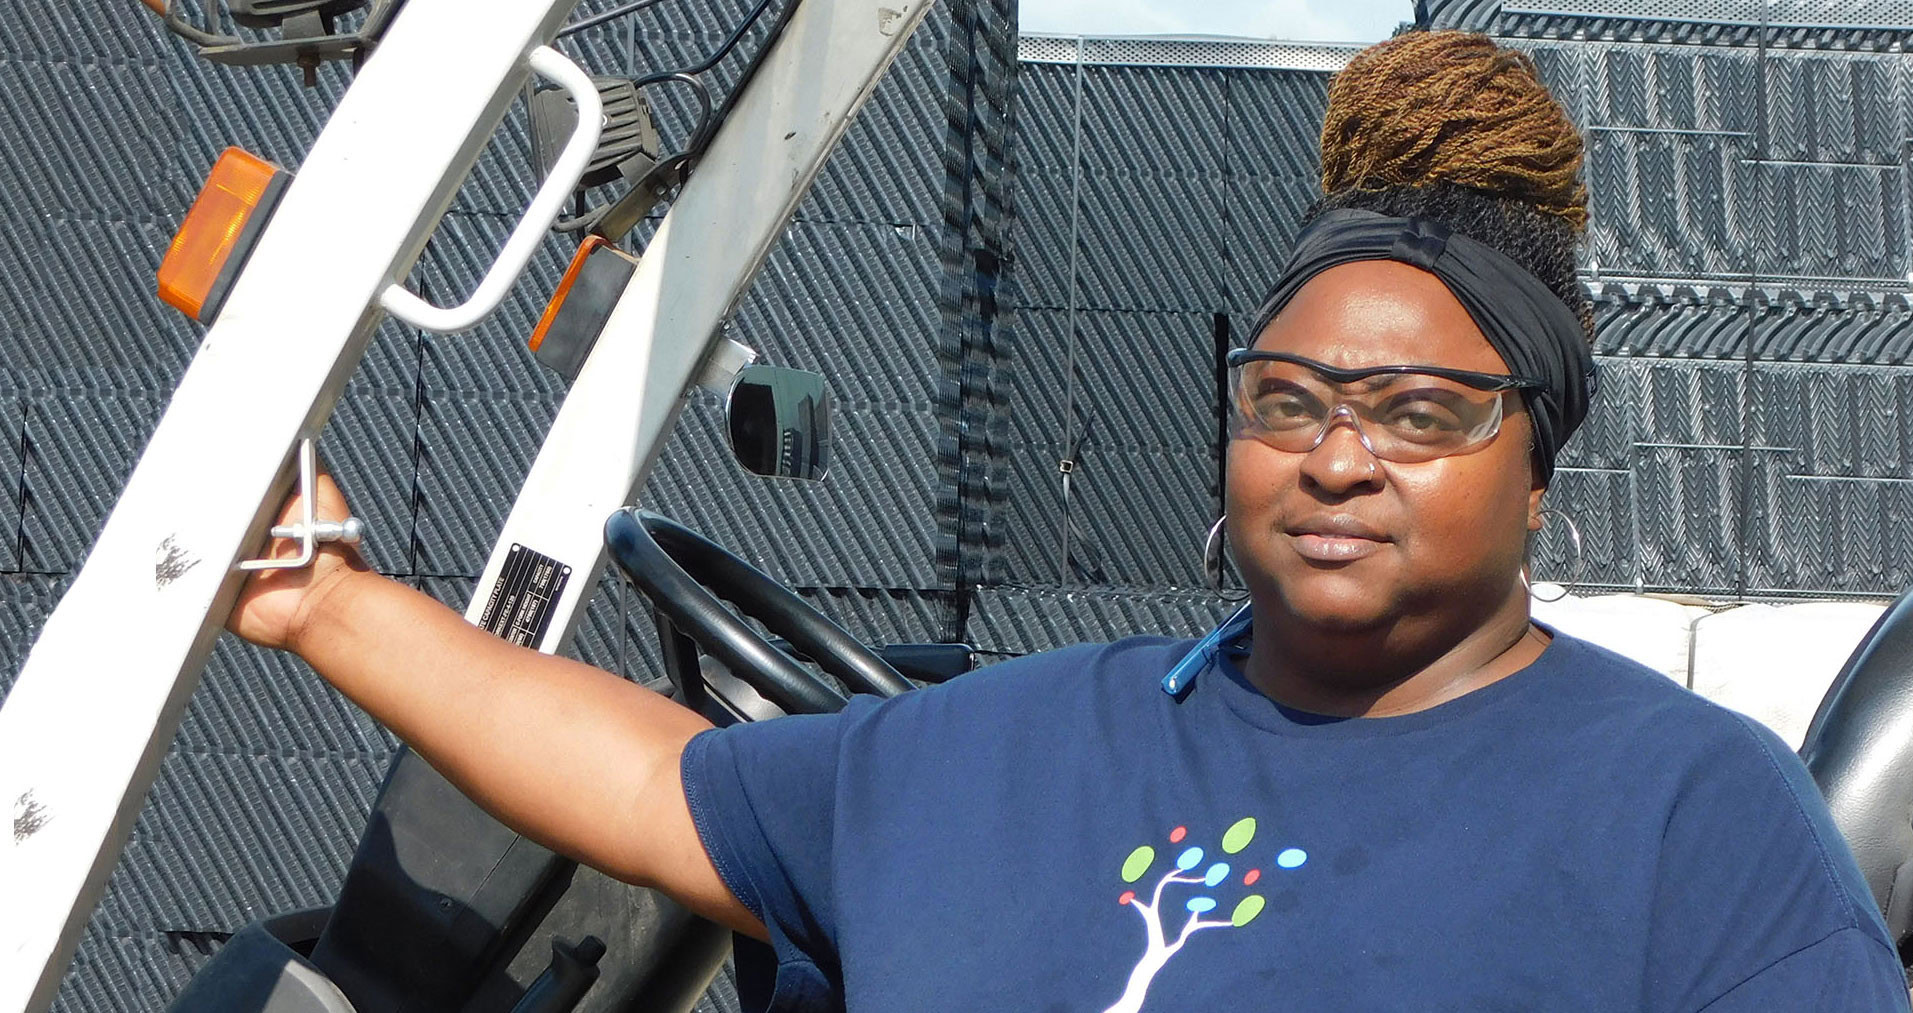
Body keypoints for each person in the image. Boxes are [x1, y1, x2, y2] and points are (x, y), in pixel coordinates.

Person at [228, 29, 1911, 1012]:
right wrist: (324, 603)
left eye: (1419, 416)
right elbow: (661, 787)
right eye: (1291, 398)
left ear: (1535, 466)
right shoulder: (1008, 748)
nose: (1336, 459)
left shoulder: (1690, 825)